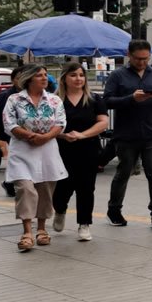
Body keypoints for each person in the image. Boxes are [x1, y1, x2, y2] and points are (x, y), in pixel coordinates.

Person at [103, 39, 152, 231]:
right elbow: (107, 101)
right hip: (126, 134)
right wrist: (131, 98)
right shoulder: (118, 75)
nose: (143, 62)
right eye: (138, 59)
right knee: (123, 172)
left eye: (146, 58)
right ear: (129, 55)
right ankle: (114, 210)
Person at [2, 65, 67, 252]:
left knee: (45, 190)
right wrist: (30, 136)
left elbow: (60, 123)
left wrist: (45, 137)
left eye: (46, 75)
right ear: (29, 79)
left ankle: (41, 229)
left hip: (47, 150)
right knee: (25, 188)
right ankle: (27, 232)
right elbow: (9, 124)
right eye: (39, 75)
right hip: (22, 150)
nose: (44, 78)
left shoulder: (54, 100)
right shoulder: (14, 99)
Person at [52, 62, 109, 242]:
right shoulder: (55, 100)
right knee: (63, 187)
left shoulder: (94, 99)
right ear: (64, 78)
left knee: (86, 188)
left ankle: (84, 224)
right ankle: (60, 210)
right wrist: (62, 135)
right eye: (73, 75)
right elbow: (46, 124)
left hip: (88, 149)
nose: (78, 79)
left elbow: (103, 122)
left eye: (81, 75)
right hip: (62, 149)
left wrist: (82, 135)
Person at [0, 66, 24, 197]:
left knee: (21, 160)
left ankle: (9, 182)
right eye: (19, 77)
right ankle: (11, 183)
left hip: (30, 133)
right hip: (11, 133)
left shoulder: (34, 94)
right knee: (19, 158)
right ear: (13, 80)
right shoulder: (5, 96)